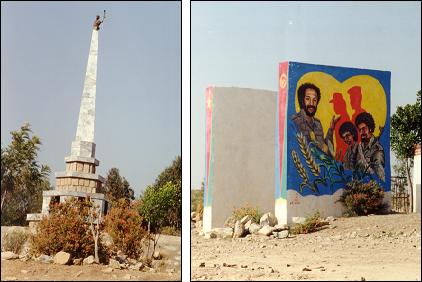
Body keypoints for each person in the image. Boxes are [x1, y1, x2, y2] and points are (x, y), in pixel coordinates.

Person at [291, 83, 340, 155]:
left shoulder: (318, 123)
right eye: (308, 99)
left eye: (314, 100)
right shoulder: (294, 121)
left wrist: (331, 129)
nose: (311, 103)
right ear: (302, 100)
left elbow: (324, 150)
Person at [355, 112, 385, 181]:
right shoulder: (358, 147)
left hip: (370, 189)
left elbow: (380, 177)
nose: (361, 132)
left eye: (364, 129)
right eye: (359, 130)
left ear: (370, 128)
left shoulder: (377, 150)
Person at [329, 92, 351, 162]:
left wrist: (338, 159)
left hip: (344, 158)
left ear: (341, 104)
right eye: (334, 104)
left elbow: (344, 145)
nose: (334, 107)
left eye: (335, 104)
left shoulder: (344, 119)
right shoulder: (340, 119)